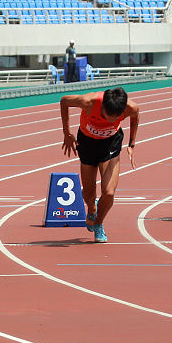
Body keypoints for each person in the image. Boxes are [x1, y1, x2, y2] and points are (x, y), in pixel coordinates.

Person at [59, 87, 140, 243]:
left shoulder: (131, 107)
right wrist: (67, 134)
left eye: (116, 118)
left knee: (109, 192)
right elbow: (64, 101)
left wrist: (132, 143)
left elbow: (135, 116)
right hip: (87, 143)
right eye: (108, 116)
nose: (110, 120)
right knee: (89, 194)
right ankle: (92, 208)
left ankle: (99, 223)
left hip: (111, 144)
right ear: (102, 107)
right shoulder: (88, 101)